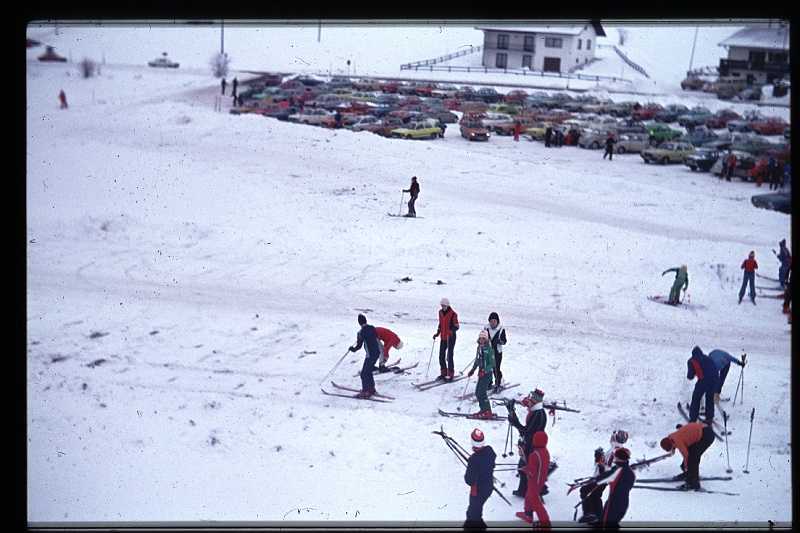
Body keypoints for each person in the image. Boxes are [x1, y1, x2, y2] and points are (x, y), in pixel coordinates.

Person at [578, 430, 629, 524]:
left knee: (585, 490)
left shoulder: (615, 451)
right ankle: (598, 518)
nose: (611, 437)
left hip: (602, 478)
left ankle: (590, 514)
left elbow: (609, 469)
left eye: (613, 436)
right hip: (602, 478)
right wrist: (600, 459)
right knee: (596, 495)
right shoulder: (615, 449)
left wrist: (600, 463)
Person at [507, 389, 547, 497]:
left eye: (530, 401)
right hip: (533, 443)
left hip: (533, 445)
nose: (528, 402)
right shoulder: (536, 411)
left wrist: (515, 422)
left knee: (525, 467)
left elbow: (526, 430)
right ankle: (530, 489)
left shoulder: (537, 414)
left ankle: (531, 490)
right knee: (524, 466)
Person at [660, 421, 715, 491]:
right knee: (691, 452)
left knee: (693, 457)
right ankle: (689, 474)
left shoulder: (676, 441)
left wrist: (686, 468)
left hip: (706, 435)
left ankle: (693, 482)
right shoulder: (673, 436)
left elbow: (686, 455)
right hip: (705, 430)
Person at [515, 431, 551, 529]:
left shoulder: (534, 455)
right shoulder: (545, 452)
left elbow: (531, 472)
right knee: (528, 496)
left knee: (535, 502)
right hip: (541, 481)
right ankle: (528, 515)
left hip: (534, 482)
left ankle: (545, 524)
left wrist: (524, 468)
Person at [463, 428, 496, 531]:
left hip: (477, 493)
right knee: (472, 512)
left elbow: (469, 480)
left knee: (474, 516)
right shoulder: (489, 450)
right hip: (488, 488)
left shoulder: (473, 459)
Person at [599, 447, 636, 529]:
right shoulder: (632, 473)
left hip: (613, 503)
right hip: (624, 503)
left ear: (618, 458)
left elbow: (601, 480)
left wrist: (594, 480)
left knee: (605, 526)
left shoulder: (617, 471)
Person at [348, 314, 381, 398]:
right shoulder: (372, 328)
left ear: (359, 322)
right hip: (377, 352)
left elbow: (359, 346)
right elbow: (376, 336)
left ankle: (366, 391)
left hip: (370, 354)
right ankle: (372, 388)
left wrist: (352, 349)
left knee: (364, 373)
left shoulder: (360, 332)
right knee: (368, 370)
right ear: (366, 321)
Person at [687, 346, 719, 426]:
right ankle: (709, 418)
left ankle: (693, 420)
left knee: (696, 398)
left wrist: (692, 374)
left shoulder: (692, 360)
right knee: (709, 398)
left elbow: (690, 376)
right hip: (716, 379)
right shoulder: (708, 358)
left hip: (704, 381)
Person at [467, 330, 496, 419]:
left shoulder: (489, 350)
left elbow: (493, 363)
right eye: (480, 339)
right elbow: (477, 360)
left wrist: (485, 370)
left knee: (482, 393)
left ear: (487, 340)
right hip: (481, 373)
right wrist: (473, 369)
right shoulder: (479, 348)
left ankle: (487, 411)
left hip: (486, 374)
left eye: (484, 339)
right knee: (478, 393)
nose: (482, 341)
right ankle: (483, 409)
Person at [433, 298, 459, 381]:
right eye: (442, 306)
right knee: (441, 355)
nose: (443, 307)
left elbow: (457, 326)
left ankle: (450, 374)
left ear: (448, 306)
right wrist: (437, 333)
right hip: (443, 337)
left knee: (449, 356)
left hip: (450, 338)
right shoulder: (440, 313)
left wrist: (451, 331)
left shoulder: (453, 314)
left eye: (444, 306)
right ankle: (443, 373)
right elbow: (440, 324)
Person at [483, 312, 507, 393]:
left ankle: (499, 383)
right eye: (491, 321)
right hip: (488, 351)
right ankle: (488, 383)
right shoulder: (486, 328)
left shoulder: (501, 329)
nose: (493, 323)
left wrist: (499, 341)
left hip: (497, 351)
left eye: (494, 321)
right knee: (488, 367)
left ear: (497, 321)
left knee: (496, 367)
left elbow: (504, 341)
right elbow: (482, 337)